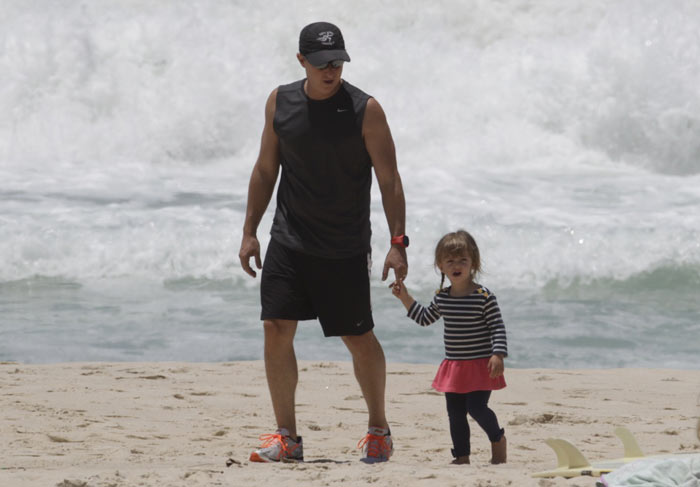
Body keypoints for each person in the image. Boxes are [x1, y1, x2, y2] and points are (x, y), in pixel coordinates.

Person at [238, 21, 408, 464]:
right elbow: (264, 170)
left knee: (357, 336)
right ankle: (287, 438)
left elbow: (389, 181)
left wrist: (398, 242)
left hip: (343, 245)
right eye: (321, 63)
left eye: (337, 62)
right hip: (289, 238)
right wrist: (249, 231)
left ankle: (378, 429)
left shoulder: (365, 109)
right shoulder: (281, 101)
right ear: (302, 62)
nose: (330, 71)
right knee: (276, 328)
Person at [391, 230, 508, 465]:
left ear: (473, 263)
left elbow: (497, 326)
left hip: (479, 365)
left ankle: (497, 439)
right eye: (450, 261)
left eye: (463, 260)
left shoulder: (484, 296)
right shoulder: (442, 298)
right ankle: (462, 456)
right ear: (440, 266)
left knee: (477, 408)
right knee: (455, 414)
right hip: (454, 366)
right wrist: (405, 298)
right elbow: (424, 318)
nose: (457, 265)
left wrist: (498, 353)